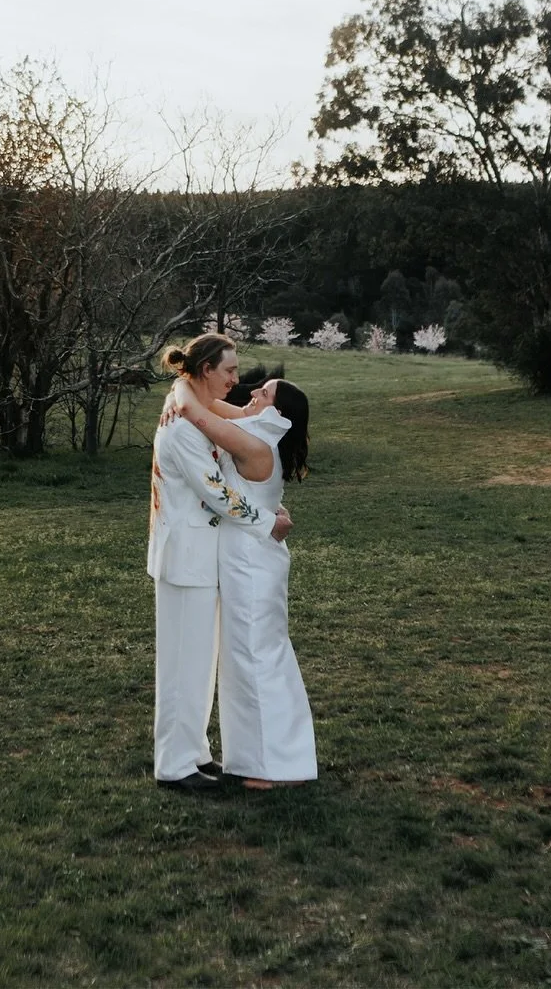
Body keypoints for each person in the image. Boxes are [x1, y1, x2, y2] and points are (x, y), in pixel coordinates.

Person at [149, 333, 292, 790]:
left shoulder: (196, 411)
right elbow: (218, 494)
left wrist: (184, 394)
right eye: (229, 370)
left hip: (200, 558)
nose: (236, 378)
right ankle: (173, 765)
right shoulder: (182, 430)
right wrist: (266, 523)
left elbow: (235, 419)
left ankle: (193, 753)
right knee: (181, 668)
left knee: (199, 665)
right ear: (207, 369)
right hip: (184, 559)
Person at [169, 372, 317, 789]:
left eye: (263, 392)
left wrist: (183, 379)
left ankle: (270, 768)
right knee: (255, 656)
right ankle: (276, 761)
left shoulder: (253, 443)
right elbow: (214, 408)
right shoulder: (258, 431)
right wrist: (192, 381)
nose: (252, 393)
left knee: (253, 657)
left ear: (278, 411)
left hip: (250, 561)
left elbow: (196, 414)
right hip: (252, 555)